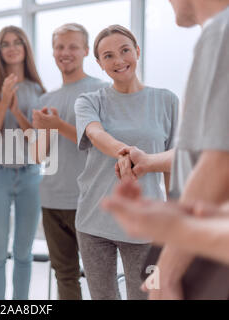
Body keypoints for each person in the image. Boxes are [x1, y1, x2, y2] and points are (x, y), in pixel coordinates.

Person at [103, 0, 229, 300]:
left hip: (202, 251)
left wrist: (168, 269)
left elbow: (219, 162)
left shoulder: (220, 33)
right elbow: (202, 153)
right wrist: (148, 161)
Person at [74, 25, 179, 300]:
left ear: (137, 51)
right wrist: (125, 153)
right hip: (94, 221)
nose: (119, 61)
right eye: (108, 56)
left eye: (124, 51)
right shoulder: (88, 101)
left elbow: (172, 162)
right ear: (99, 64)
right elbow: (95, 134)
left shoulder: (166, 100)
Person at [30, 23, 107, 300]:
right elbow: (38, 155)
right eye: (60, 47)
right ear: (53, 52)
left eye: (73, 46)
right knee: (64, 275)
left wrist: (58, 124)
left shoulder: (101, 92)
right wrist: (48, 128)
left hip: (89, 200)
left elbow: (101, 144)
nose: (66, 52)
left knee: (100, 279)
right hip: (51, 200)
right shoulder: (45, 99)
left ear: (86, 51)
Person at [0, 25, 45, 300]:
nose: (11, 47)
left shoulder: (38, 89)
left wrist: (17, 110)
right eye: (5, 43)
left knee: (24, 254)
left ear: (26, 48)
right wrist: (3, 102)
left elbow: (39, 142)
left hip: (30, 176)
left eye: (17, 42)